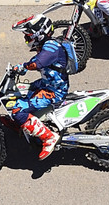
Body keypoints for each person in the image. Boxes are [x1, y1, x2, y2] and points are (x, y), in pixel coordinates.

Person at [8, 18, 72, 160]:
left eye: (28, 35)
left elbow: (39, 62)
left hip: (53, 91)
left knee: (17, 110)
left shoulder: (51, 46)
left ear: (39, 33)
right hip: (46, 83)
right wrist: (22, 67)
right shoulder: (47, 45)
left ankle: (49, 137)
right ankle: (21, 124)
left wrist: (24, 66)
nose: (26, 38)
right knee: (19, 92)